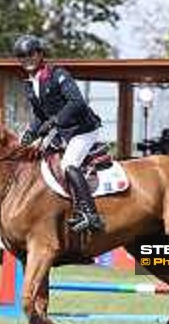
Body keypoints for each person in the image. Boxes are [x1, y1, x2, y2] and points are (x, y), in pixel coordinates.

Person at [14, 34, 105, 233]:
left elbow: (77, 102)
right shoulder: (31, 84)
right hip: (64, 134)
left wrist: (55, 121)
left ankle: (91, 214)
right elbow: (40, 115)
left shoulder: (57, 74)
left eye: (30, 54)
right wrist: (31, 132)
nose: (26, 59)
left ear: (39, 54)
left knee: (68, 164)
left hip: (83, 130)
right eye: (21, 56)